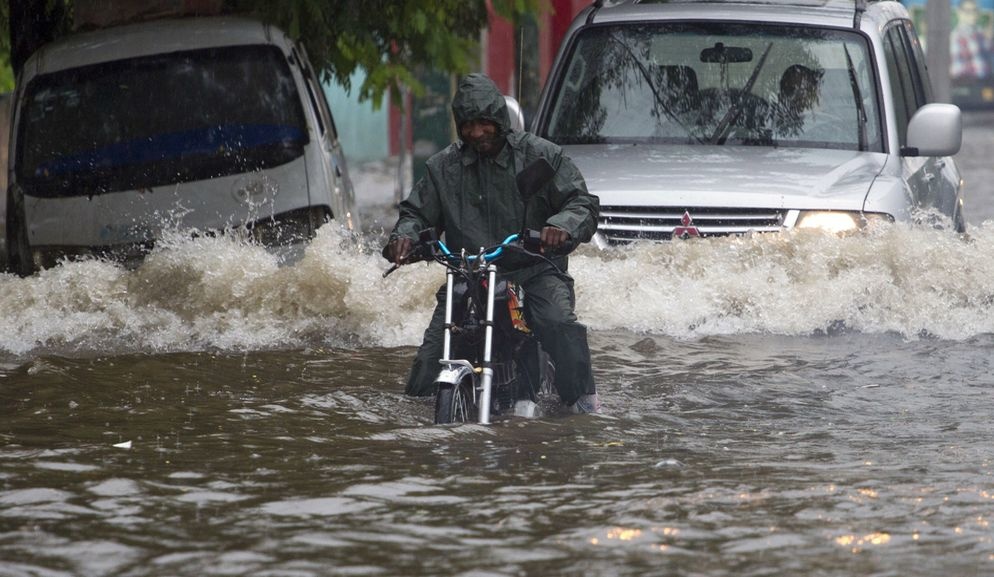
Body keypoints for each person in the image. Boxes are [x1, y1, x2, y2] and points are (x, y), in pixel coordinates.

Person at [383, 73, 602, 414]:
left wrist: (560, 227)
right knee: (428, 362)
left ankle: (583, 401)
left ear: (500, 120)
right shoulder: (443, 168)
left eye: (484, 123)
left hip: (533, 270)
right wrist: (405, 238)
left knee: (558, 322)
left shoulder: (540, 156)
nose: (477, 133)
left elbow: (581, 203)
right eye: (468, 125)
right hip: (469, 275)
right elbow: (416, 214)